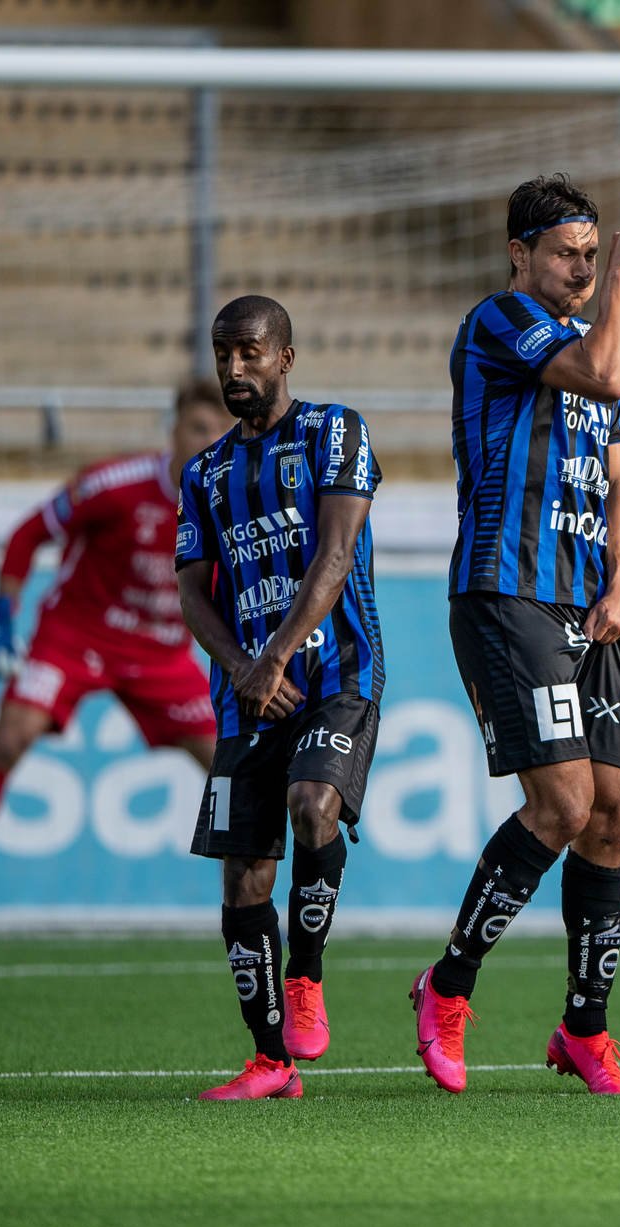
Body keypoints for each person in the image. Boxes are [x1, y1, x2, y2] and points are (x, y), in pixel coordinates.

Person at [411, 174, 620, 1096]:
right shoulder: (501, 323)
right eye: (567, 255)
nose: (584, 270)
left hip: (590, 608)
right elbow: (608, 372)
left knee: (614, 814)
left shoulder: (593, 346)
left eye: (594, 255)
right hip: (509, 594)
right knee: (562, 806)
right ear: (520, 255)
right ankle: (447, 986)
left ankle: (584, 1032)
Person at [0, 379, 229, 946]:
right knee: (11, 738)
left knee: (230, 768)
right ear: (173, 431)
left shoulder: (232, 505)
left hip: (160, 652)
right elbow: (28, 534)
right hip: (77, 635)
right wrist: (0, 617)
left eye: (220, 432)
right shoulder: (115, 485)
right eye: (197, 428)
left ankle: (243, 909)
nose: (208, 440)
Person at [175, 295, 384, 1102]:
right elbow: (193, 590)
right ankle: (272, 1061)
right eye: (224, 353)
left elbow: (335, 551)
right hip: (250, 691)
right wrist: (242, 668)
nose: (235, 368)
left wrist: (278, 653)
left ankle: (308, 978)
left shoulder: (337, 432)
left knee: (312, 803)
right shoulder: (205, 473)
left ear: (286, 358)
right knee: (244, 879)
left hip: (338, 673)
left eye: (251, 352)